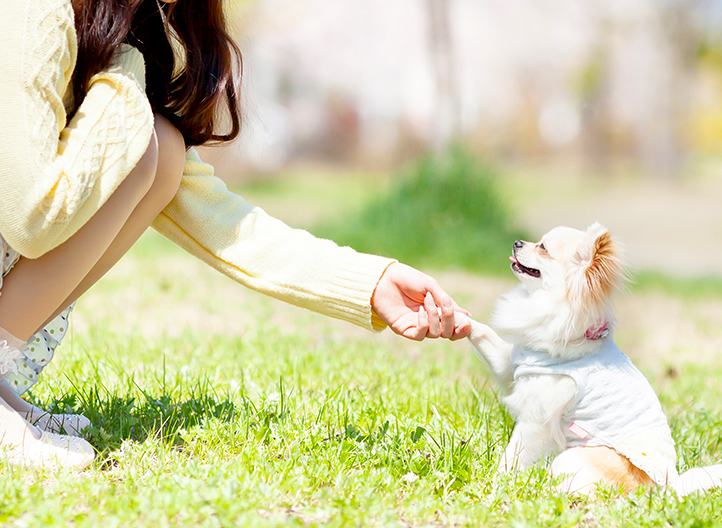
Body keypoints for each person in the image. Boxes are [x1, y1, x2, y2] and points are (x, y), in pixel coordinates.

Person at [0, 0, 471, 469]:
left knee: (160, 150)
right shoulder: (36, 12)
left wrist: (370, 283)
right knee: (148, 141)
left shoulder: (116, 28)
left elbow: (225, 223)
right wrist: (128, 69)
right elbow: (31, 217)